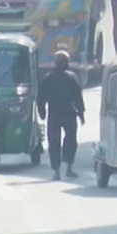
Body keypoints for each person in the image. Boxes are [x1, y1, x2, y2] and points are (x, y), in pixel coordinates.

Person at [37, 51, 85, 180]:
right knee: (70, 140)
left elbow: (41, 97)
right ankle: (69, 168)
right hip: (69, 112)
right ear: (66, 63)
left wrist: (42, 112)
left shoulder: (49, 77)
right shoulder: (71, 77)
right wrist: (81, 114)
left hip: (54, 113)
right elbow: (78, 97)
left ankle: (56, 171)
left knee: (54, 141)